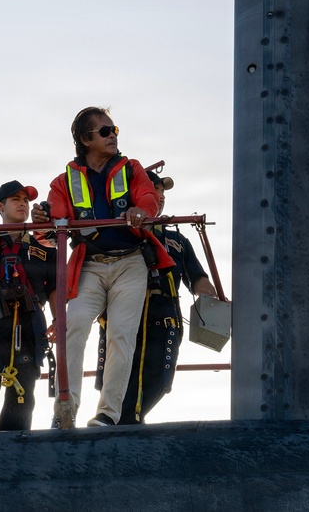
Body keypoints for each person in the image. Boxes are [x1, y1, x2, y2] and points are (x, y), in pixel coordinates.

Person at [34, 107, 173, 427]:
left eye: (115, 131)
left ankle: (108, 415)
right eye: (106, 132)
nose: (113, 136)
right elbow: (53, 222)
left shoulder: (132, 168)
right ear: (85, 140)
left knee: (121, 335)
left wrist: (142, 209)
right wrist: (41, 219)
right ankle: (66, 409)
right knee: (74, 326)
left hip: (130, 263)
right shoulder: (63, 181)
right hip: (91, 266)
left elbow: (148, 197)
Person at [102, 170, 220, 424]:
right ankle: (124, 426)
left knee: (158, 382)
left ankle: (130, 423)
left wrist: (213, 296)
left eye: (163, 192)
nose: (161, 196)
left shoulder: (177, 240)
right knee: (116, 381)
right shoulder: (116, 232)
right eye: (155, 190)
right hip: (123, 319)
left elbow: (196, 277)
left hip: (162, 320)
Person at [0, 180, 56, 432]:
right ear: (0, 206)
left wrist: (59, 321)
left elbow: (55, 286)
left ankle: (12, 449)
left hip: (30, 324)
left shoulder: (44, 248)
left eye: (26, 200)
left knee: (23, 395)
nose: (23, 203)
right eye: (16, 199)